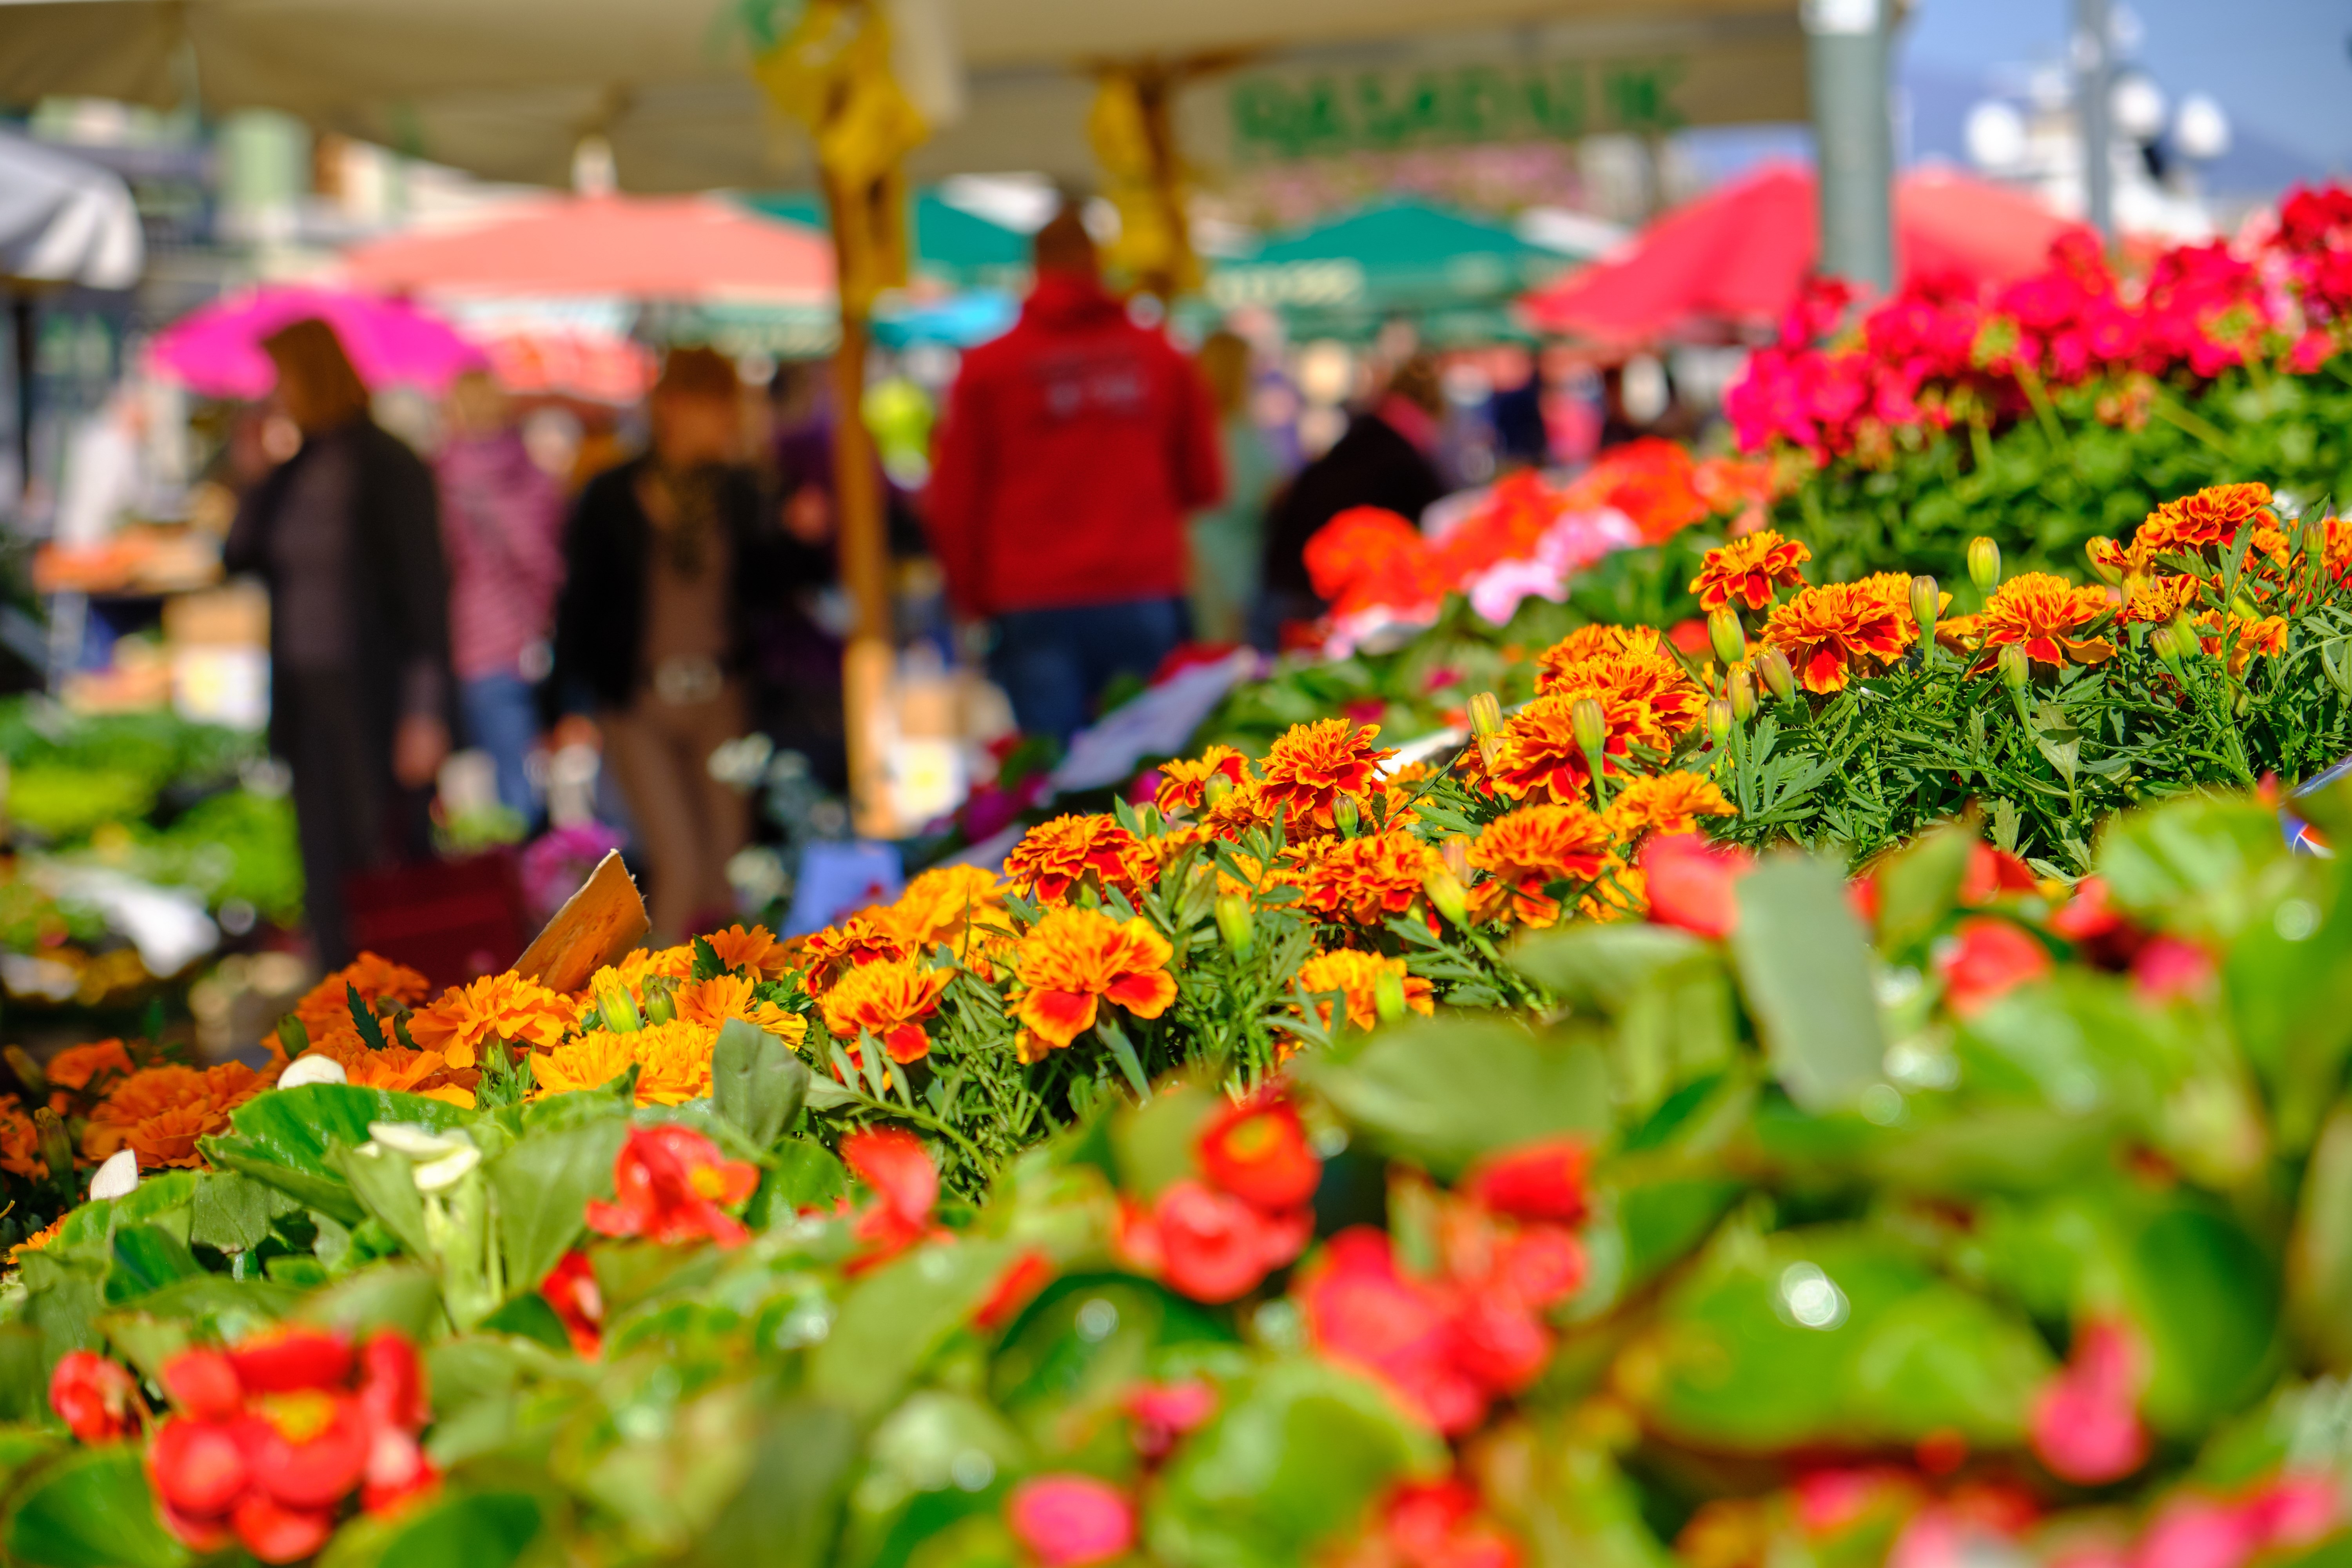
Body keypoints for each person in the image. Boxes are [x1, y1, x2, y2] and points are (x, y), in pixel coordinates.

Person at [925, 204, 1225, 744]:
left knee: (1057, 793)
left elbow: (954, 502)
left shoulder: (989, 367)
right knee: (1151, 784)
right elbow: (1204, 482)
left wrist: (971, 601)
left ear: (1036, 267)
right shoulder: (1160, 354)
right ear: (1097, 263)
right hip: (1141, 589)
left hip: (1032, 599)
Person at [552, 347, 818, 943]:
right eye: (718, 407)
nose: (729, 421)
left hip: (722, 694)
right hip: (638, 701)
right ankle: (657, 1023)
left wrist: (796, 535)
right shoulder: (612, 494)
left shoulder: (740, 492)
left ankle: (732, 1012)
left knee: (730, 869)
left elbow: (772, 590)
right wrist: (561, 704)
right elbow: (579, 603)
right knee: (679, 866)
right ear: (674, 407)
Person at [224, 318, 452, 968]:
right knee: (322, 858)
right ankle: (339, 996)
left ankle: (403, 1007)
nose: (277, 394)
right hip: (305, 690)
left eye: (283, 378)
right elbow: (239, 558)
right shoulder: (294, 468)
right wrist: (253, 476)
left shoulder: (387, 463)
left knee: (384, 855)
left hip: (375, 691)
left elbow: (425, 594)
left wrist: (426, 711)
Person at [434, 370, 565, 822]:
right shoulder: (534, 478)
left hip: (457, 641)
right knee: (517, 779)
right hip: (518, 642)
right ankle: (523, 876)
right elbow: (546, 566)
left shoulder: (438, 478)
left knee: (460, 790)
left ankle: (491, 878)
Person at [1257, 353, 1450, 644]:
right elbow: (1439, 522)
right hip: (1318, 587)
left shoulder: (1366, 434)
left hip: (1286, 573)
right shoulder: (1402, 454)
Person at [1187, 331, 1276, 646]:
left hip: (1195, 568)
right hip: (1230, 576)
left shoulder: (1199, 433)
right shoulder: (1236, 436)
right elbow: (1260, 497)